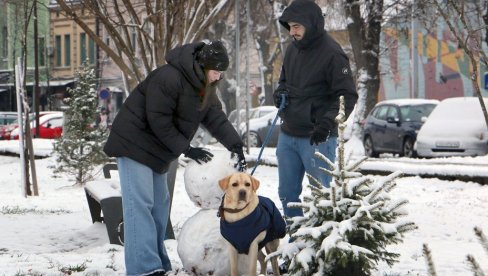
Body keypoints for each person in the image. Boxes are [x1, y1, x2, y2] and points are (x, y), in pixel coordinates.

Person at [103, 41, 246, 276]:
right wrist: (186, 149)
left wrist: (236, 146)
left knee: (159, 208)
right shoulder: (169, 77)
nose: (218, 76)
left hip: (158, 151)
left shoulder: (206, 87)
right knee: (140, 206)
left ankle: (157, 264)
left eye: (221, 72)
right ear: (203, 65)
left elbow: (216, 118)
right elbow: (158, 119)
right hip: (134, 144)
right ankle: (143, 269)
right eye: (216, 71)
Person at [274, 0, 358, 218]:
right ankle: (295, 243)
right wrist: (280, 93)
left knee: (322, 195)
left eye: (297, 26)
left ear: (310, 24)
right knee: (286, 193)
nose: (292, 32)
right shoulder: (292, 50)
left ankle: (321, 247)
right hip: (288, 135)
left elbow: (347, 96)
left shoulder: (332, 53)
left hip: (317, 136)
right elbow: (284, 81)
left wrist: (328, 122)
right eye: (290, 27)